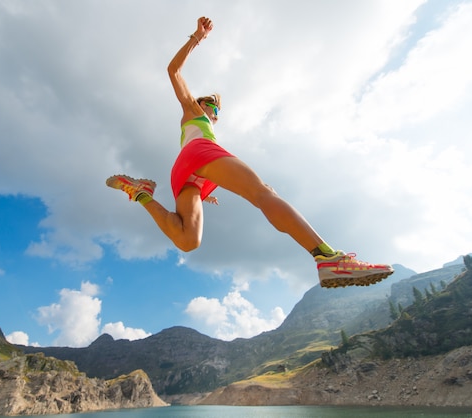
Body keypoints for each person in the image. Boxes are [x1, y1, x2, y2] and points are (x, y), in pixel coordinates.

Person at [107, 17, 393, 288]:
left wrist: (207, 187)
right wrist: (198, 38)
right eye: (213, 107)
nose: (215, 113)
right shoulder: (194, 110)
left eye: (217, 111)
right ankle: (329, 257)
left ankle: (141, 193)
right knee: (263, 192)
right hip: (198, 155)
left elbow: (198, 155)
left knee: (187, 240)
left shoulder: (196, 125)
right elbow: (173, 71)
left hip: (189, 171)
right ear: (202, 103)